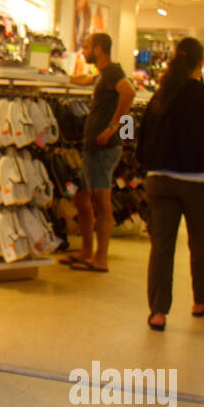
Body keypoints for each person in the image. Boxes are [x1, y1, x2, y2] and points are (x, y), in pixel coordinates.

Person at [136, 37, 204, 331]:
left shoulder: (159, 98)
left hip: (160, 181)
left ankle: (158, 312)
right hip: (201, 184)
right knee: (200, 244)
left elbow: (139, 141)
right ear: (200, 62)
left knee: (161, 247)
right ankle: (202, 300)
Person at [64, 32, 135, 272]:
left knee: (101, 202)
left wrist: (114, 125)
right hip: (93, 147)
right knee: (82, 198)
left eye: (85, 47)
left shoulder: (113, 72)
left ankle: (100, 258)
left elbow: (129, 92)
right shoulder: (104, 75)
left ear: (98, 49)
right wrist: (63, 77)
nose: (82, 51)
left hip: (102, 149)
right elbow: (86, 80)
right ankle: (86, 251)